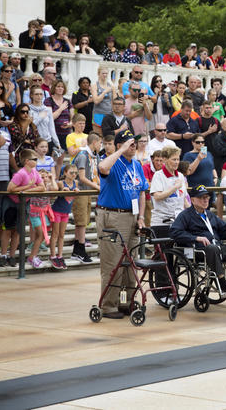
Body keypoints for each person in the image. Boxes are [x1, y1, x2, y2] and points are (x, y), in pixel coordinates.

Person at [95, 130, 149, 319]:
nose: (133, 146)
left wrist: (141, 216)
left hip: (132, 217)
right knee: (113, 263)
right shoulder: (113, 161)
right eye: (129, 143)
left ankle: (125, 301)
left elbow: (142, 191)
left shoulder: (137, 164)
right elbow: (102, 167)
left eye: (134, 143)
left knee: (129, 263)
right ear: (119, 145)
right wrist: (121, 150)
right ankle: (109, 305)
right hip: (113, 216)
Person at [170, 185, 226, 294]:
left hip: (218, 248)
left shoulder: (210, 215)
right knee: (212, 248)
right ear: (193, 200)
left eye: (207, 197)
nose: (205, 200)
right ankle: (222, 284)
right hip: (200, 251)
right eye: (201, 197)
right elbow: (174, 232)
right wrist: (196, 238)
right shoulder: (185, 215)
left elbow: (225, 229)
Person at [72, 132, 100, 263]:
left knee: (83, 222)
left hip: (87, 191)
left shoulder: (94, 155)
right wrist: (97, 186)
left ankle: (77, 250)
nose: (101, 145)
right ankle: (81, 250)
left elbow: (95, 175)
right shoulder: (83, 155)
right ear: (94, 142)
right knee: (81, 221)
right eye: (100, 142)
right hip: (80, 191)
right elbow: (82, 177)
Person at [50, 164, 78, 269]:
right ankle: (53, 255)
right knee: (55, 234)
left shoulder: (76, 183)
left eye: (75, 173)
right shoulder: (61, 183)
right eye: (71, 172)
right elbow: (60, 188)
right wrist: (64, 189)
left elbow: (73, 195)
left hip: (66, 212)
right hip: (57, 211)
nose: (74, 175)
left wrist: (75, 191)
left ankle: (60, 255)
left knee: (61, 234)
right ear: (65, 173)